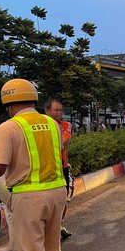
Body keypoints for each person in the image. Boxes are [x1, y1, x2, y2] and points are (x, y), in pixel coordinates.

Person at [0, 79, 67, 251]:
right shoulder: (52, 124)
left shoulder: (9, 127)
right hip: (58, 192)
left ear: (9, 104)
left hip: (29, 197)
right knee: (52, 247)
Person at [44, 98, 73, 240]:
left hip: (61, 167)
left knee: (63, 198)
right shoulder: (40, 125)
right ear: (46, 111)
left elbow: (64, 141)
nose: (59, 112)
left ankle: (59, 224)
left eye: (60, 110)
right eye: (56, 110)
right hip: (42, 169)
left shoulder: (66, 125)